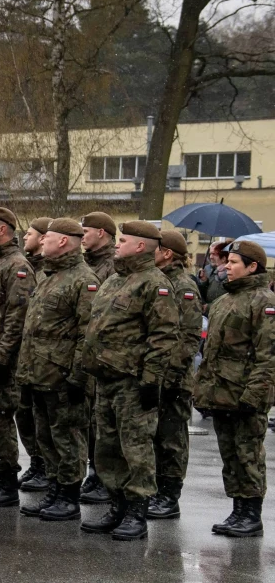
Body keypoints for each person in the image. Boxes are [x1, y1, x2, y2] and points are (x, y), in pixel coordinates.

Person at [78, 220, 179, 541]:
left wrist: (151, 380)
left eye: (123, 240)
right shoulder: (113, 282)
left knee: (135, 448)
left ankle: (137, 511)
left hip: (134, 383)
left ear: (140, 246)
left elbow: (164, 337)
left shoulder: (155, 284)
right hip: (105, 380)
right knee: (107, 447)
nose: (117, 245)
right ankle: (117, 505)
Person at [16, 218, 97, 522]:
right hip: (38, 373)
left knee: (67, 438)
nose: (42, 241)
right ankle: (55, 488)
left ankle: (69, 495)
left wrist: (78, 376)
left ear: (63, 241)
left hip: (62, 376)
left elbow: (87, 334)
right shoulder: (48, 276)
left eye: (47, 236)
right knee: (46, 437)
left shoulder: (82, 280)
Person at [193, 239, 275, 537]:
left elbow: (268, 355)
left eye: (234, 262)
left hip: (245, 393)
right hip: (221, 392)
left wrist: (254, 395)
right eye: (226, 262)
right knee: (230, 455)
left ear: (252, 266)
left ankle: (251, 514)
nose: (227, 266)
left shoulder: (264, 301)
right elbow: (211, 352)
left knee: (248, 454)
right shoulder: (224, 301)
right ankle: (238, 510)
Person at [0, 207, 36, 508]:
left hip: (2, 359)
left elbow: (17, 316)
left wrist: (2, 356)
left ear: (4, 229)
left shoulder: (16, 266)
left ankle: (5, 480)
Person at [147, 230, 202, 519]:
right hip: (156, 374)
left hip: (173, 378)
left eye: (154, 248)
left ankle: (169, 496)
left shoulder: (183, 286)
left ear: (167, 253)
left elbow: (189, 336)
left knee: (171, 438)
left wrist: (170, 374)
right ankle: (158, 491)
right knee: (156, 436)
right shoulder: (158, 281)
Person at [78, 211, 117, 506]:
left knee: (102, 423)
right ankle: (95, 472)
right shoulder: (88, 264)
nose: (82, 236)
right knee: (92, 422)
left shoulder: (111, 267)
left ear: (101, 233)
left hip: (106, 356)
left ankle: (104, 476)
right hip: (92, 355)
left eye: (86, 231)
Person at [16, 216, 52, 492]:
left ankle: (55, 477)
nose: (24, 238)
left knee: (55, 425)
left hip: (51, 364)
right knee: (28, 416)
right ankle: (39, 464)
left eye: (29, 233)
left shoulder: (40, 271)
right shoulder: (39, 270)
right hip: (30, 360)